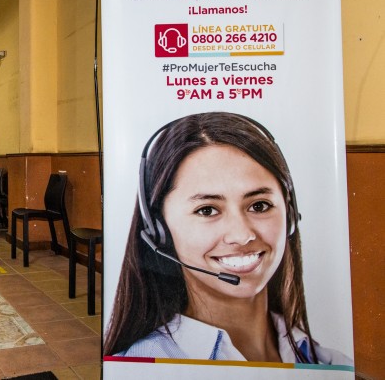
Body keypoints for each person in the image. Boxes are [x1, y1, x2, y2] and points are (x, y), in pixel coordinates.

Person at [104, 112, 352, 365]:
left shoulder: (328, 363)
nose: (242, 235)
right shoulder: (142, 366)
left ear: (289, 214)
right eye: (207, 210)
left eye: (259, 206)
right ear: (159, 230)